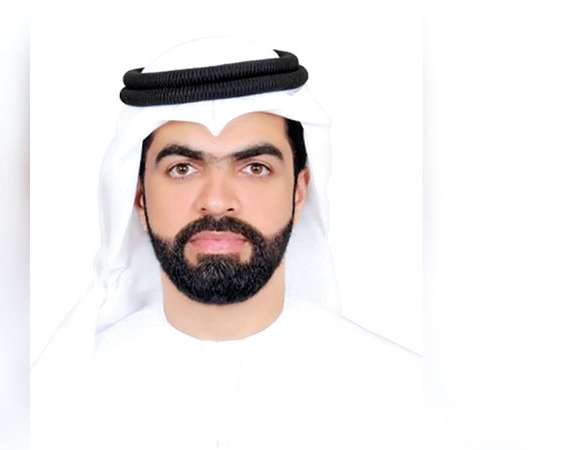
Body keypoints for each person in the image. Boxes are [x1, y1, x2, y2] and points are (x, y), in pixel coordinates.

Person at [31, 37, 421, 450]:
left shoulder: (406, 400)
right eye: (183, 169)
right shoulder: (51, 411)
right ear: (139, 197)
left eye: (255, 168)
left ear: (299, 191)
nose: (217, 202)